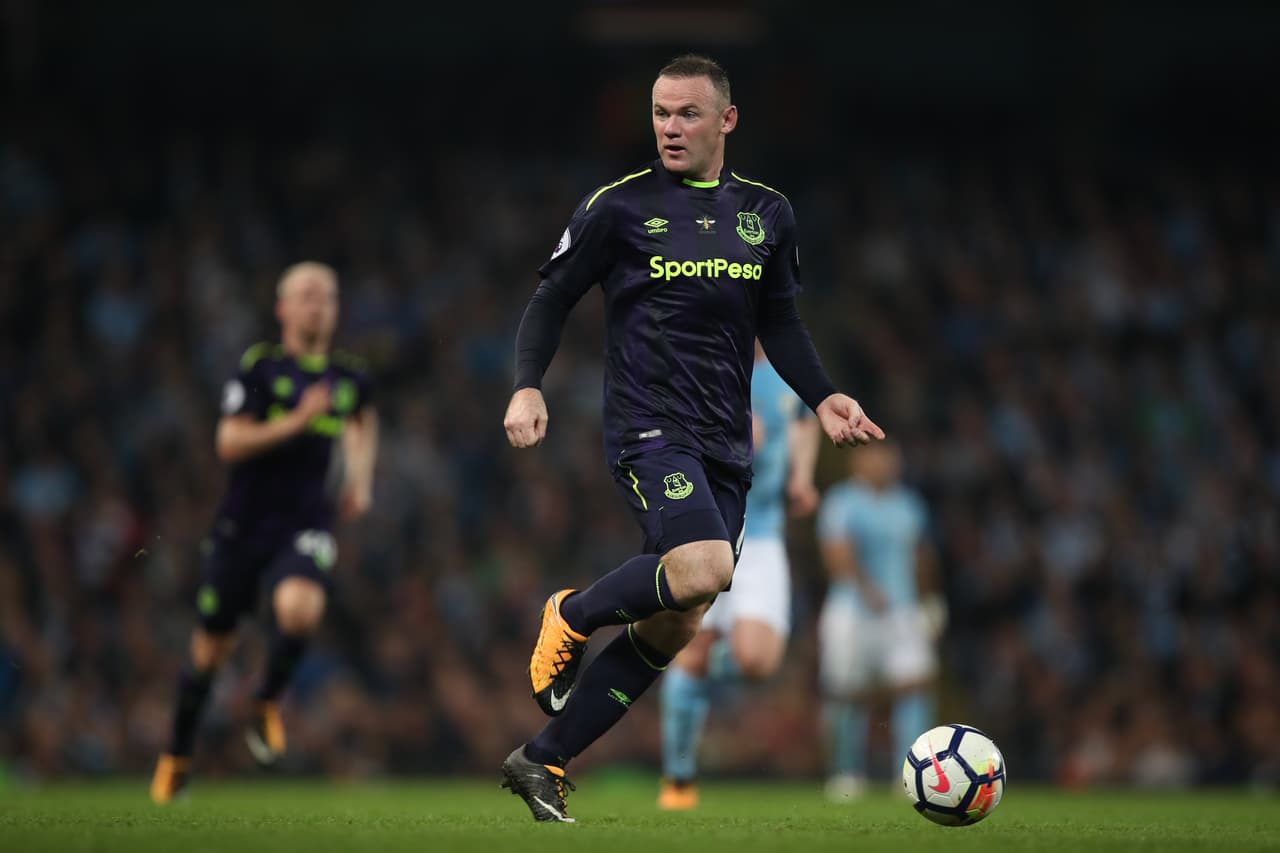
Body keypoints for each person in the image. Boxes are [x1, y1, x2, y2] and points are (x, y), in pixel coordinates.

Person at [499, 53, 884, 823]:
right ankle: (571, 613)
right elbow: (552, 296)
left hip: (726, 443)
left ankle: (541, 757)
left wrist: (826, 394)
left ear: (726, 120)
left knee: (677, 620)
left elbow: (780, 320)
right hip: (649, 427)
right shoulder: (618, 207)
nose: (671, 128)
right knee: (704, 565)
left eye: (688, 114)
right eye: (661, 114)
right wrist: (527, 383)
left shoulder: (768, 214)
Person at [150, 262, 378, 803]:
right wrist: (297, 420)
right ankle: (177, 755)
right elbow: (228, 441)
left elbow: (363, 419)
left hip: (306, 523)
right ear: (283, 309)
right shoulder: (260, 369)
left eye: (325, 296)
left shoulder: (348, 377)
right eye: (305, 296)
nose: (316, 305)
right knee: (209, 651)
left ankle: (267, 699)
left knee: (301, 610)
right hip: (242, 527)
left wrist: (361, 478)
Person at [657, 341, 820, 810]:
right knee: (693, 646)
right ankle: (679, 778)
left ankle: (696, 673)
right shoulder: (698, 365)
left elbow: (808, 418)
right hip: (709, 529)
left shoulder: (791, 368)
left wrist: (802, 477)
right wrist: (726, 440)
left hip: (764, 533)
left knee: (756, 661)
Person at [816, 440, 943, 800]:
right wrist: (869, 590)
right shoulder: (843, 501)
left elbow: (921, 555)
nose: (885, 463)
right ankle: (844, 774)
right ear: (858, 461)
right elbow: (837, 555)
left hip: (902, 611)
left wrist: (931, 601)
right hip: (852, 611)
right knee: (846, 693)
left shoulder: (909, 504)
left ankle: (912, 774)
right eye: (877, 456)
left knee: (916, 685)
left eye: (891, 456)